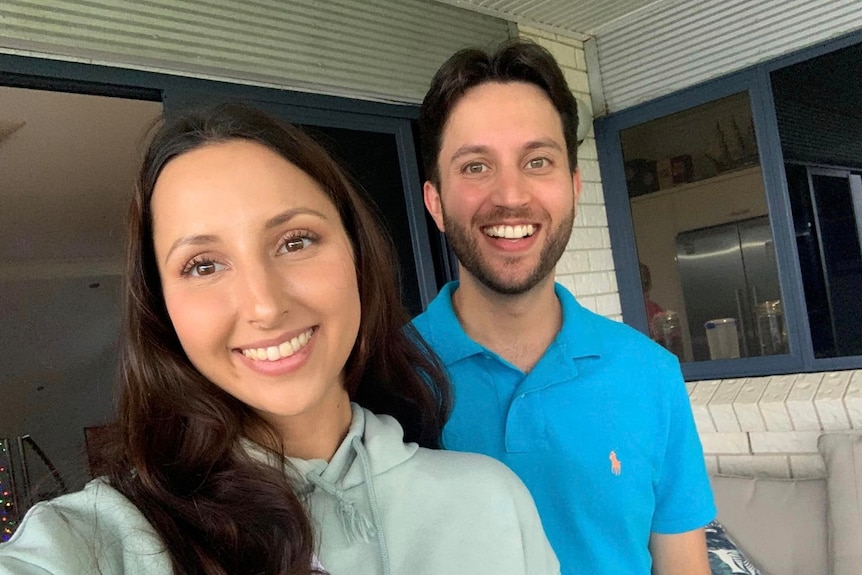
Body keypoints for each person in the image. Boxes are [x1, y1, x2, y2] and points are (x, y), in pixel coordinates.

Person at [0, 103, 559, 575]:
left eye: (295, 241)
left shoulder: (492, 501)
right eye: (202, 266)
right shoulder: (103, 541)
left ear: (356, 255)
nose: (265, 306)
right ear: (163, 309)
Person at [412, 40, 716, 575]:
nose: (511, 195)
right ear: (435, 201)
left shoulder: (652, 375)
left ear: (573, 188)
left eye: (537, 161)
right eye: (476, 165)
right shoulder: (379, 379)